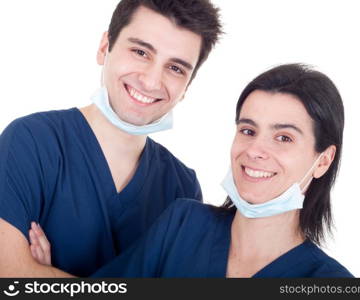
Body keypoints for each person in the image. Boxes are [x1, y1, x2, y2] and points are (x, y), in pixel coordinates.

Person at [30, 64, 353, 277]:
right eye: (248, 130)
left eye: (283, 137)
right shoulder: (183, 225)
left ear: (323, 160)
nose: (255, 150)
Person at [0, 0, 222, 277]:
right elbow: (10, 276)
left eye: (176, 68)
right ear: (105, 47)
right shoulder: (31, 142)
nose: (152, 81)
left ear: (187, 86)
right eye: (141, 52)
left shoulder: (182, 187)